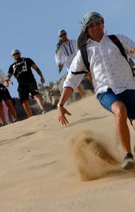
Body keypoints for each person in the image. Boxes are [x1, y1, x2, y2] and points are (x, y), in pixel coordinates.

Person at [58, 12, 135, 170]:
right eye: (91, 25)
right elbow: (72, 80)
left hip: (129, 87)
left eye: (98, 23)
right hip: (105, 91)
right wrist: (60, 104)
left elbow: (133, 48)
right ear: (86, 30)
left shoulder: (117, 39)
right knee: (120, 110)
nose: (95, 27)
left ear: (103, 24)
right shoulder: (84, 52)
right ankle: (128, 156)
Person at [7, 49, 46, 117]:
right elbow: (8, 76)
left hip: (30, 81)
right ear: (12, 56)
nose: (16, 55)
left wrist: (41, 76)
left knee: (36, 94)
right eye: (14, 54)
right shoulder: (12, 66)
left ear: (20, 53)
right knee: (24, 100)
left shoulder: (27, 60)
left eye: (17, 53)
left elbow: (36, 68)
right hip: (21, 84)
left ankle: (43, 109)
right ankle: (30, 116)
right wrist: (8, 81)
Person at [55, 29, 86, 97]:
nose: (63, 36)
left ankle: (94, 88)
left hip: (77, 59)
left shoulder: (73, 41)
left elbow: (79, 49)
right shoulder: (60, 47)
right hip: (68, 64)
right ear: (59, 37)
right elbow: (58, 57)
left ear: (66, 34)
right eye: (61, 35)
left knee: (88, 71)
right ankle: (83, 95)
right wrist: (59, 63)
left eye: (64, 34)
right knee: (73, 78)